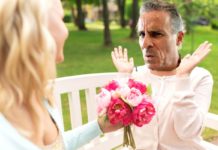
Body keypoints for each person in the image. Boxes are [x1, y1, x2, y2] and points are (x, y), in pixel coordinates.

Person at [0, 0, 121, 150]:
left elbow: (60, 146)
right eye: (61, 19)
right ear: (36, 27)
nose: (66, 31)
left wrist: (100, 126)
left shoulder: (41, 95)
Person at [111, 0, 213, 150]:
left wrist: (182, 79)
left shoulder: (199, 77)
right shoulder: (135, 76)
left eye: (155, 34)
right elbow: (119, 125)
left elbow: (188, 132)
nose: (145, 43)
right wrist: (125, 79)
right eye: (141, 34)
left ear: (178, 38)